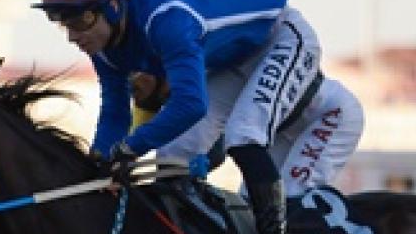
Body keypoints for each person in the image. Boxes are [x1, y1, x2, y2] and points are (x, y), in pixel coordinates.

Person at [34, 0, 331, 234]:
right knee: (172, 157)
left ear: (113, 5)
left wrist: (129, 148)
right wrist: (97, 163)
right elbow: (115, 112)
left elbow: (190, 104)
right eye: (62, 23)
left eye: (81, 21)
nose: (73, 36)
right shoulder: (103, 48)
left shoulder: (166, 21)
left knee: (243, 136)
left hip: (280, 38)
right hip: (228, 59)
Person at [129, 71, 366, 201]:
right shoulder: (157, 94)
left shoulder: (199, 80)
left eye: (137, 82)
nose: (133, 88)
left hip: (329, 115)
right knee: (253, 206)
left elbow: (216, 150)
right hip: (282, 131)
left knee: (289, 200)